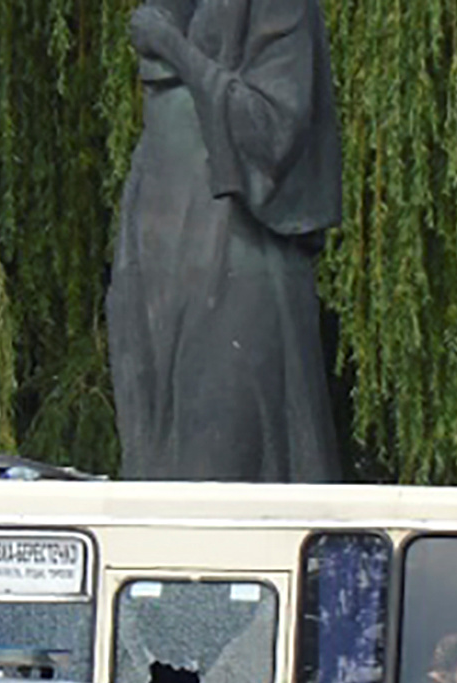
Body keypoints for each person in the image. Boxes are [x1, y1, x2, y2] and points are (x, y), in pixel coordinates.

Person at [108, 0, 344, 483]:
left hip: (234, 231)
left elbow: (273, 126)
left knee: (224, 433)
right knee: (157, 450)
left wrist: (173, 48)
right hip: (159, 223)